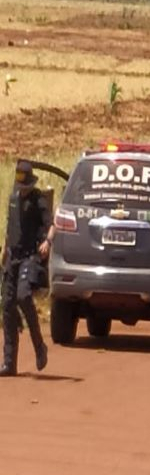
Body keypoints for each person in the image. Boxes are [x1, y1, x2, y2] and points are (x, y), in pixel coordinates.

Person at [1, 161, 52, 376]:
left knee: (23, 297)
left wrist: (47, 242)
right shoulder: (13, 199)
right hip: (12, 257)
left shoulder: (38, 200)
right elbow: (10, 228)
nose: (22, 191)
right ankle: (9, 363)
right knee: (7, 306)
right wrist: (4, 251)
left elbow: (52, 224)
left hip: (30, 257)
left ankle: (39, 346)